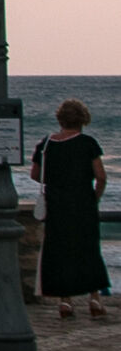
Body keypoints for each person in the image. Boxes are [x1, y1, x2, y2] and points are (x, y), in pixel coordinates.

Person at [31, 100, 110, 322]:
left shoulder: (46, 145)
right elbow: (101, 176)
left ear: (60, 119)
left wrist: (56, 182)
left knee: (59, 251)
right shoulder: (87, 144)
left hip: (57, 205)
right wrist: (95, 197)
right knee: (88, 250)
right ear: (83, 120)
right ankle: (94, 299)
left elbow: (35, 174)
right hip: (83, 204)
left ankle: (65, 301)